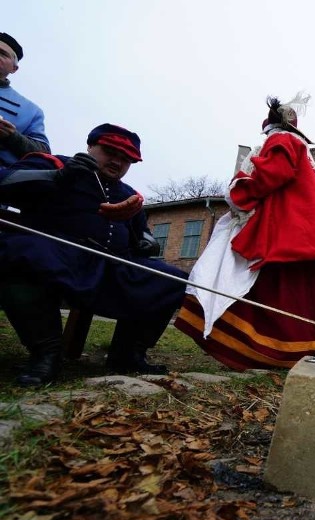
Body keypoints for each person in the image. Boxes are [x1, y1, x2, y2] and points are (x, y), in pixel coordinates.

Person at [0, 124, 187, 386]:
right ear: (91, 146)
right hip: (57, 256)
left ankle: (127, 354)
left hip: (109, 268)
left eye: (126, 158)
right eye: (110, 151)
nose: (117, 161)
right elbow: (4, 182)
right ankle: (46, 355)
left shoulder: (129, 194)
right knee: (22, 251)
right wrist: (58, 177)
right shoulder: (54, 163)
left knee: (171, 278)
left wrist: (146, 243)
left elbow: (143, 234)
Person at [174, 95, 315, 370]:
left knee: (271, 291)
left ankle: (260, 352)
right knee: (298, 298)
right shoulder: (304, 153)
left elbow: (270, 175)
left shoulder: (283, 141)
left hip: (286, 233)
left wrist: (239, 191)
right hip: (303, 235)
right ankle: (295, 355)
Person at [0, 32, 49, 166]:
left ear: (14, 68)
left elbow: (44, 154)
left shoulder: (31, 111)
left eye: (3, 53)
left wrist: (11, 136)